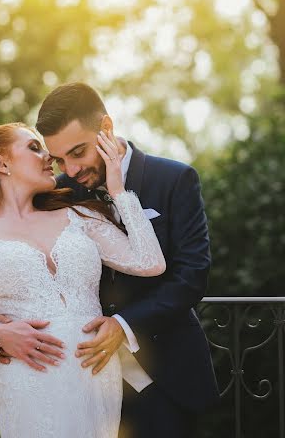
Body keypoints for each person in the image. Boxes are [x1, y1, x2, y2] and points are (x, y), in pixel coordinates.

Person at [0, 122, 166, 438]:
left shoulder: (79, 216)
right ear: (1, 163)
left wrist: (119, 192)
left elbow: (150, 263)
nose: (49, 158)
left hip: (96, 374)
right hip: (31, 379)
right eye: (34, 147)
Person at [33, 82, 220, 438]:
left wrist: (123, 324)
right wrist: (3, 322)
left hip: (166, 376)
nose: (70, 170)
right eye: (59, 159)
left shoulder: (175, 179)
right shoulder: (58, 193)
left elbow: (192, 275)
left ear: (106, 128)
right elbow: (28, 259)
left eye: (78, 152)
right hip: (84, 379)